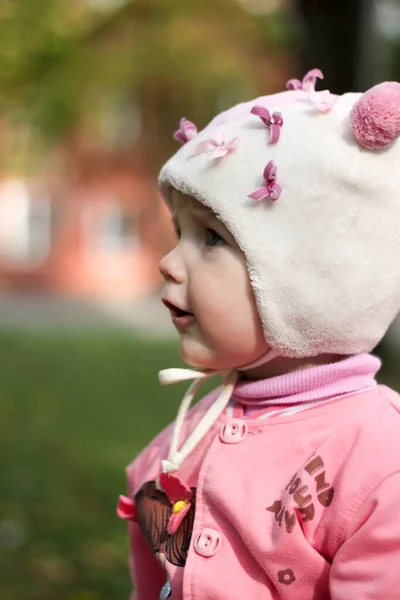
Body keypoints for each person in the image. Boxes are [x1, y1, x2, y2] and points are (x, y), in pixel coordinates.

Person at [117, 69, 400, 599]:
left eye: (213, 238)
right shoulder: (173, 452)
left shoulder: (380, 463)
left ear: (313, 275)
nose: (169, 263)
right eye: (180, 233)